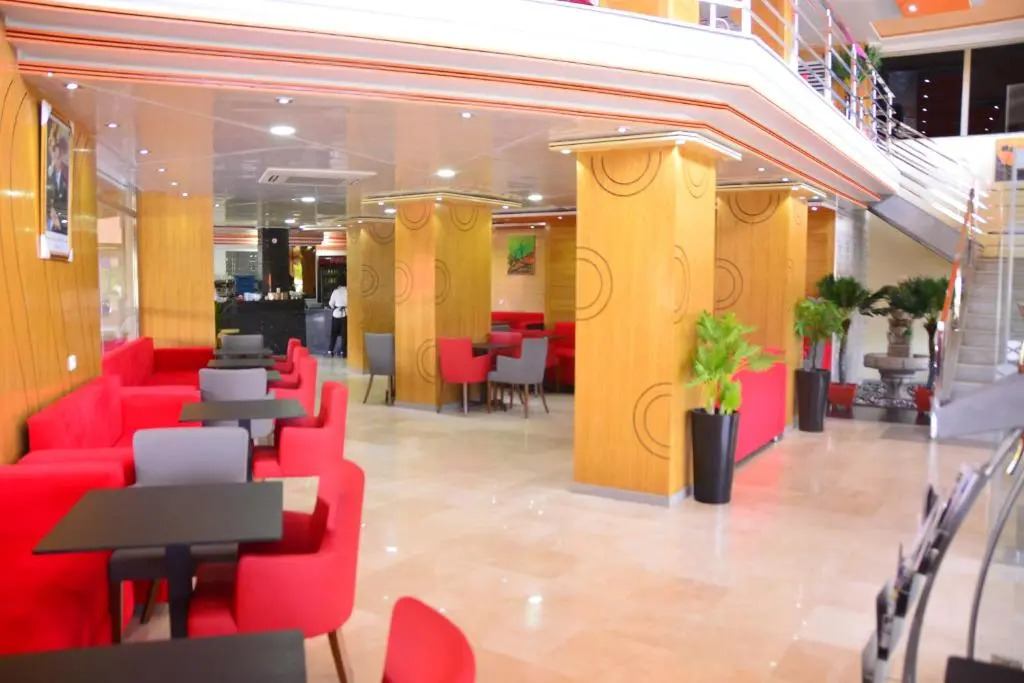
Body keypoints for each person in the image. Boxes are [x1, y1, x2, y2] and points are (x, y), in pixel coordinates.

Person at [328, 282, 348, 358]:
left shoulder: (335, 291)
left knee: (333, 334)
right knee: (344, 335)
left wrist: (334, 307)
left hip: (336, 314)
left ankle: (330, 351)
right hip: (346, 315)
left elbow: (331, 303)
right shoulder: (349, 291)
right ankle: (343, 352)